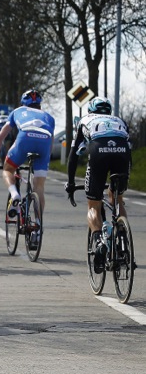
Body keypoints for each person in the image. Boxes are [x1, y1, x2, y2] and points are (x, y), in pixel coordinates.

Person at [65, 96, 131, 272]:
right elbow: (127, 144)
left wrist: (71, 183)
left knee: (93, 205)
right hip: (122, 153)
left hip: (98, 152)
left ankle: (99, 241)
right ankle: (123, 238)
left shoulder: (84, 121)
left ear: (90, 110)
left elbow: (73, 156)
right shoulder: (119, 121)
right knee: (117, 197)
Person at [0, 89, 55, 249]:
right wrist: (45, 159)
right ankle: (38, 226)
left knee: (8, 169)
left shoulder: (17, 111)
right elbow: (51, 143)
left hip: (25, 138)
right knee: (39, 187)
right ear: (40, 104)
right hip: (44, 142)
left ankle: (14, 193)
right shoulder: (49, 117)